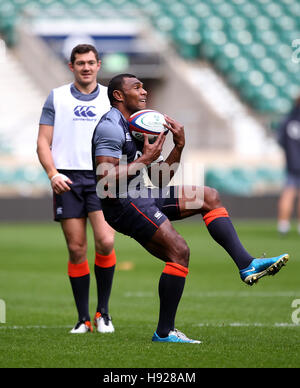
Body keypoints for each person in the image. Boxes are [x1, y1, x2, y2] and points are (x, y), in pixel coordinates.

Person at [92, 73, 289, 343]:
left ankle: (247, 264)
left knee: (209, 196)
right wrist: (144, 160)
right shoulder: (109, 127)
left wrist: (179, 146)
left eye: (143, 86)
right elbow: (104, 180)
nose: (144, 91)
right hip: (121, 203)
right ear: (118, 95)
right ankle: (165, 332)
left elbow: (160, 178)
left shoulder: (142, 125)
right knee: (179, 251)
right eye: (136, 87)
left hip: (142, 194)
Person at [37, 44, 117, 334]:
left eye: (90, 62)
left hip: (101, 178)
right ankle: (83, 319)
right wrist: (52, 173)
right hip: (66, 179)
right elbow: (43, 142)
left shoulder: (112, 98)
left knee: (106, 241)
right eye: (80, 63)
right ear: (71, 66)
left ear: (98, 65)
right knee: (76, 248)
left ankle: (103, 313)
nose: (86, 67)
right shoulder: (56, 97)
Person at [277, 97, 300, 235]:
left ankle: (283, 225)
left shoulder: (288, 120)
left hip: (291, 162)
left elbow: (281, 141)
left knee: (288, 193)